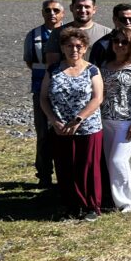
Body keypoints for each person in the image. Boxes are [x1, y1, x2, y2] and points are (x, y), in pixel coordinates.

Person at [40, 28, 104, 221]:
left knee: (88, 167)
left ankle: (91, 207)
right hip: (60, 128)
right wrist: (53, 120)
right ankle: (71, 206)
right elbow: (43, 98)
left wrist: (78, 119)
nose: (74, 50)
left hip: (88, 127)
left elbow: (97, 98)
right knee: (65, 166)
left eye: (78, 46)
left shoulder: (92, 69)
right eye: (69, 46)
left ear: (85, 48)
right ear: (62, 47)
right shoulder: (53, 70)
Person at [98, 28, 131, 213]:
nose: (119, 45)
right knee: (114, 161)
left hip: (128, 122)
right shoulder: (106, 65)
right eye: (116, 41)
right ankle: (117, 199)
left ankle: (128, 202)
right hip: (106, 120)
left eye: (124, 42)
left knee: (117, 160)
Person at [24, 0, 65, 187]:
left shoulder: (70, 33)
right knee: (43, 133)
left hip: (67, 92)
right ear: (42, 12)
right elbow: (30, 62)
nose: (52, 14)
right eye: (48, 10)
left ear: (63, 13)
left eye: (56, 10)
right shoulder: (33, 36)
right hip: (42, 91)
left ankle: (65, 173)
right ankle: (44, 174)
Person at [44, 0, 113, 65]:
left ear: (94, 9)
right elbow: (52, 64)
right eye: (79, 6)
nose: (83, 10)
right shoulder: (58, 33)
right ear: (71, 8)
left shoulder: (107, 33)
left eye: (87, 7)